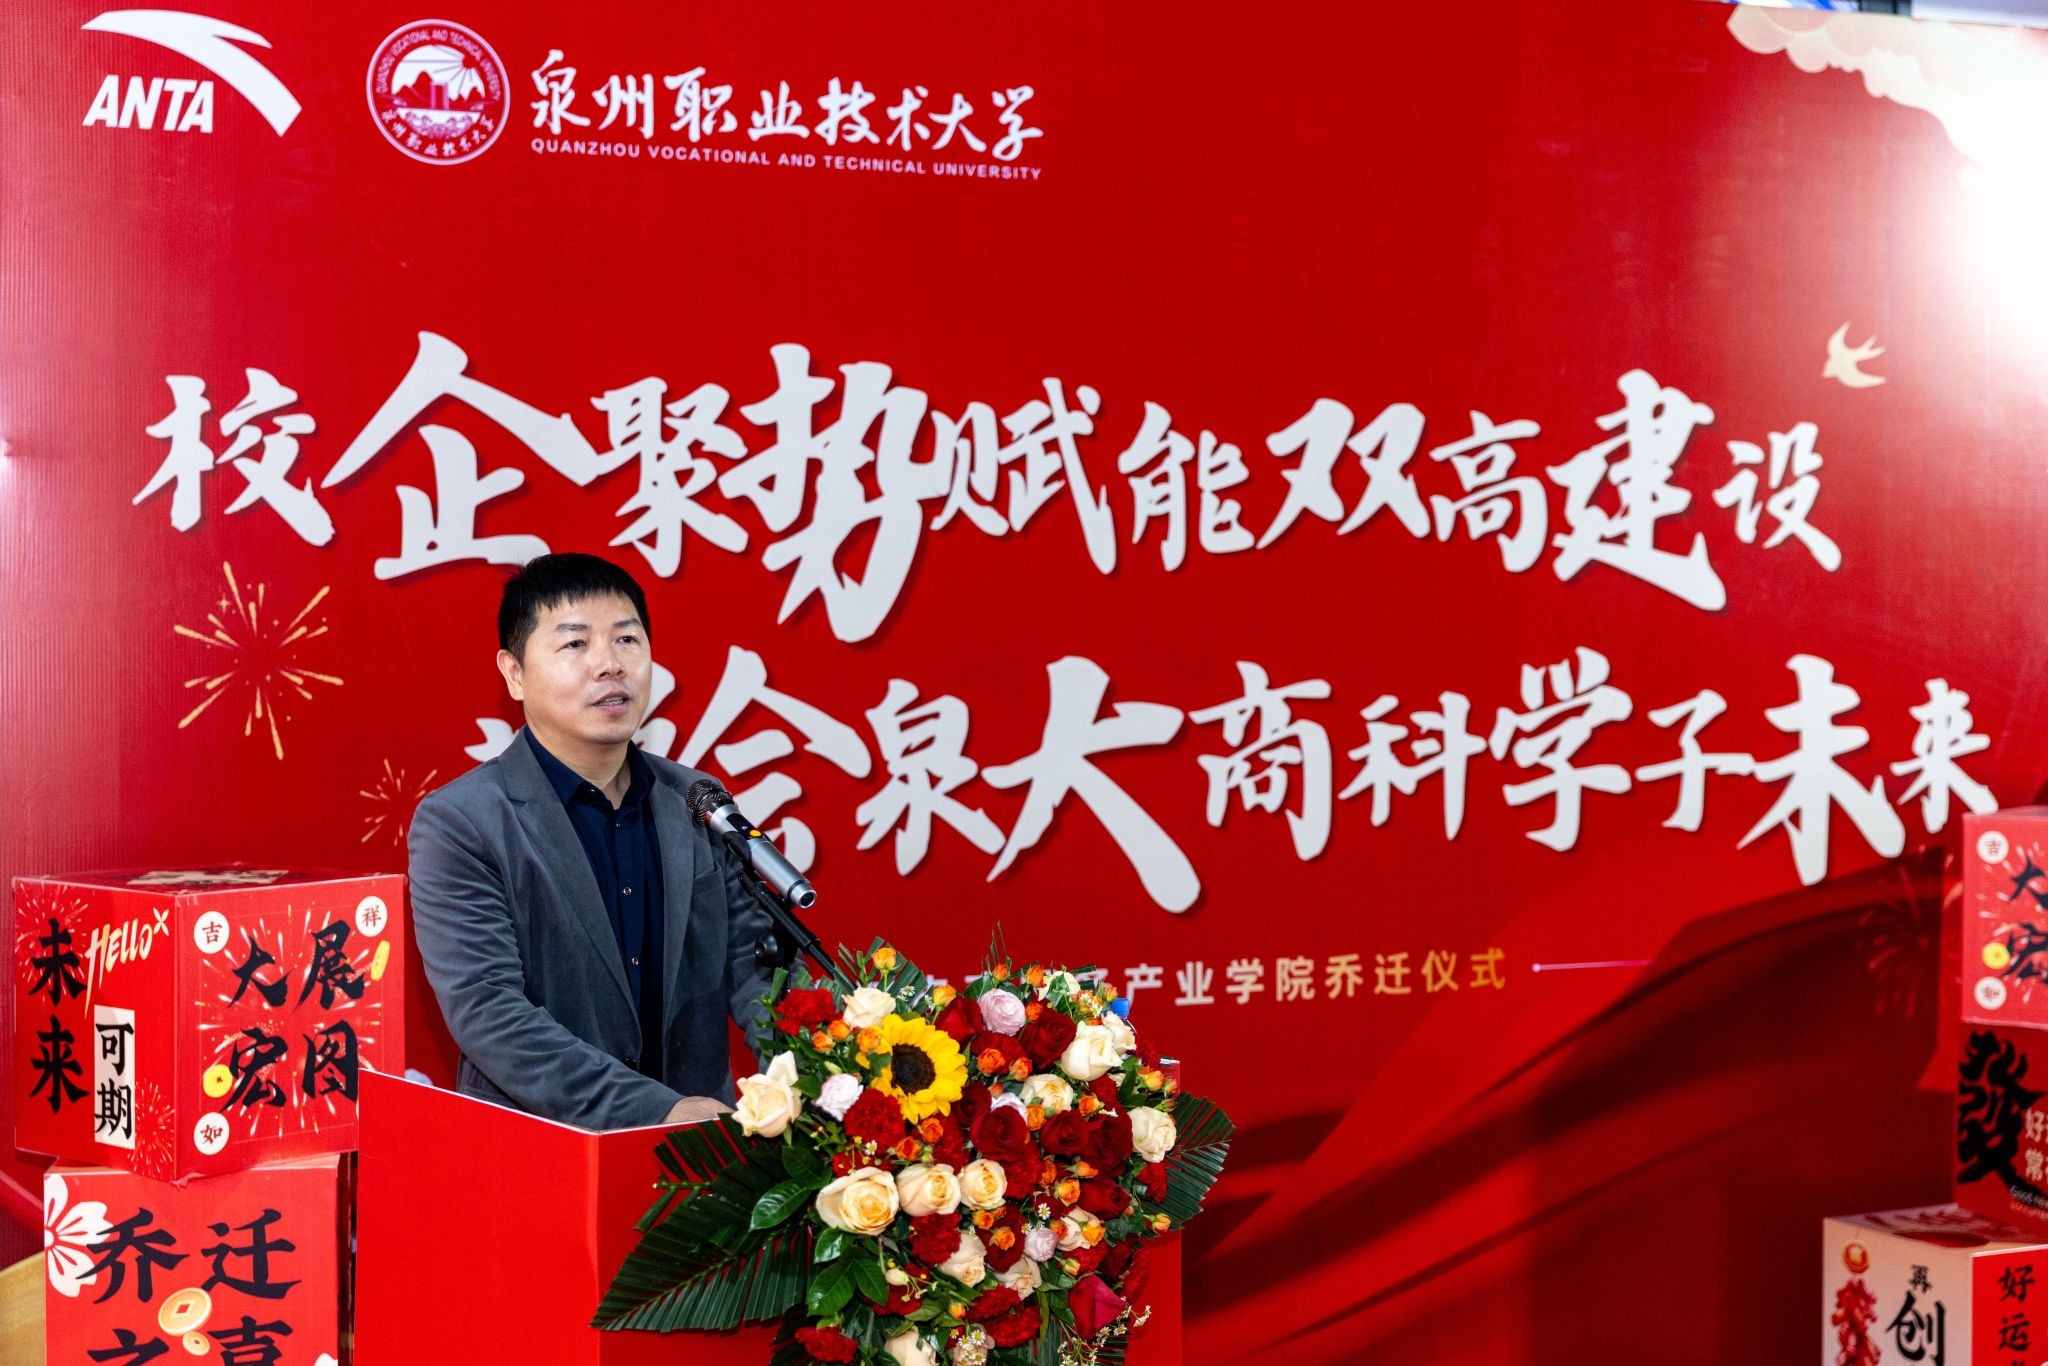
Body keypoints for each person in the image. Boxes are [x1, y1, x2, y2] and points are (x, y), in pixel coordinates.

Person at [407, 552, 776, 1129]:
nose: (610, 664)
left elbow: (761, 970)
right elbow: (489, 1011)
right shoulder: (461, 823)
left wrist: (821, 1082)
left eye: (627, 639)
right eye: (575, 644)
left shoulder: (696, 801)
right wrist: (655, 1109)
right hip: (541, 1151)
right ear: (514, 673)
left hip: (703, 1157)